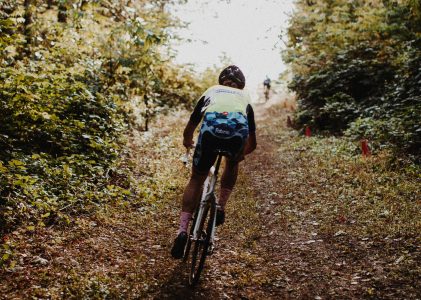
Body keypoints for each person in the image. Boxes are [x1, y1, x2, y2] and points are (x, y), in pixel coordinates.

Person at [171, 65, 257, 259]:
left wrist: (187, 141)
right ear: (241, 85)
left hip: (209, 135)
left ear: (222, 81)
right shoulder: (245, 97)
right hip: (236, 136)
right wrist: (238, 156)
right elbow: (252, 143)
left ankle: (183, 231)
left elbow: (192, 123)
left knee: (196, 179)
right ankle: (221, 207)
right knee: (232, 164)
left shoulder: (212, 90)